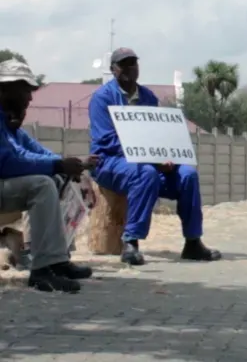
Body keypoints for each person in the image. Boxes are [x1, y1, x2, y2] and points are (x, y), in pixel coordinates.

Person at [88, 47, 221, 266]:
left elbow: (159, 134)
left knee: (188, 174)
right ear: (113, 70)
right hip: (110, 162)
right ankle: (131, 242)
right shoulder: (102, 99)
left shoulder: (148, 97)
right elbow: (107, 142)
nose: (130, 68)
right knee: (146, 173)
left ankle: (193, 241)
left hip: (149, 161)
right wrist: (152, 159)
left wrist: (168, 155)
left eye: (134, 63)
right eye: (124, 64)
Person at [0, 59, 93, 292]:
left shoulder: (8, 123)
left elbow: (31, 152)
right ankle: (42, 270)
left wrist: (66, 165)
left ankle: (57, 261)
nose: (30, 98)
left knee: (53, 179)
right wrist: (57, 165)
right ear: (5, 88)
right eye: (25, 90)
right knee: (42, 184)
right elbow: (8, 162)